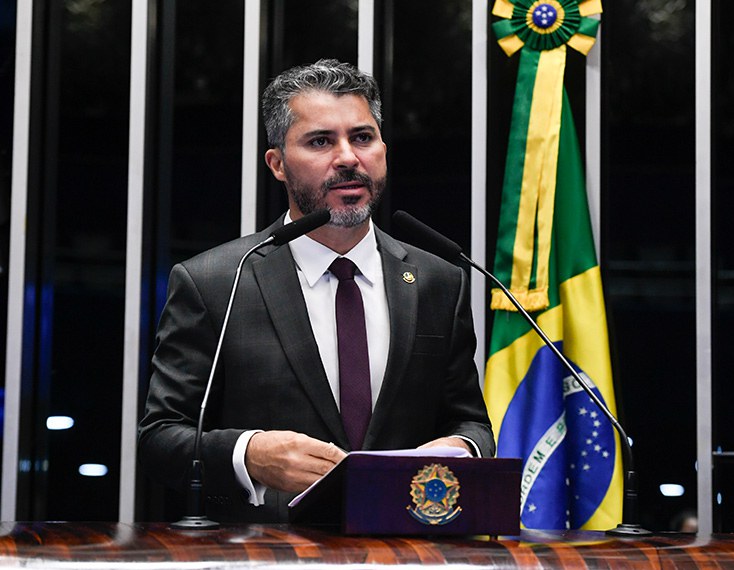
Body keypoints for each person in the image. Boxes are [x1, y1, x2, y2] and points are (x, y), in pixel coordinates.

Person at [138, 59, 494, 522]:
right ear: (277, 164)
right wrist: (249, 453)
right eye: (321, 141)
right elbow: (161, 437)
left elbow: (469, 420)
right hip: (266, 548)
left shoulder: (437, 280)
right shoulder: (218, 280)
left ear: (383, 150)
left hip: (404, 543)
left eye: (362, 138)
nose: (348, 158)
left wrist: (461, 447)